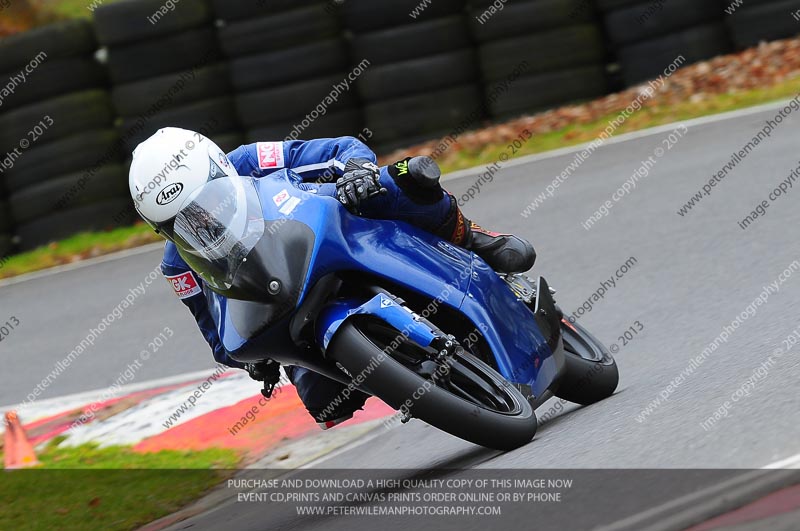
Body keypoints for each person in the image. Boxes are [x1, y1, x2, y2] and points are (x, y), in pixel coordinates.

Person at [129, 127, 535, 429]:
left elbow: (339, 148)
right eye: (183, 222)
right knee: (325, 404)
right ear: (160, 227)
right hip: (284, 296)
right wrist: (254, 366)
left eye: (204, 203)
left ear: (220, 168)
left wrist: (357, 170)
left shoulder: (251, 159)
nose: (201, 222)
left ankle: (471, 238)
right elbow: (215, 332)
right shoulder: (177, 267)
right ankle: (409, 374)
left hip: (337, 224)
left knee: (399, 180)